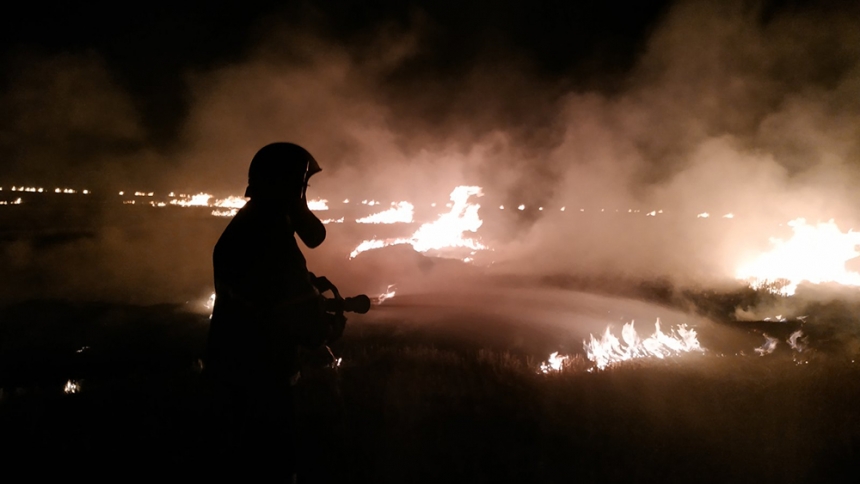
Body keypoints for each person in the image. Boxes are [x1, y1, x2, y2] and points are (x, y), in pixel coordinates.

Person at [204, 142, 337, 477]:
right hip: (259, 378)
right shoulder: (270, 232)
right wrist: (326, 327)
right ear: (290, 186)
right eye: (301, 187)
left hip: (231, 370)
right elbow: (300, 313)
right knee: (272, 468)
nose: (302, 196)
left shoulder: (251, 223)